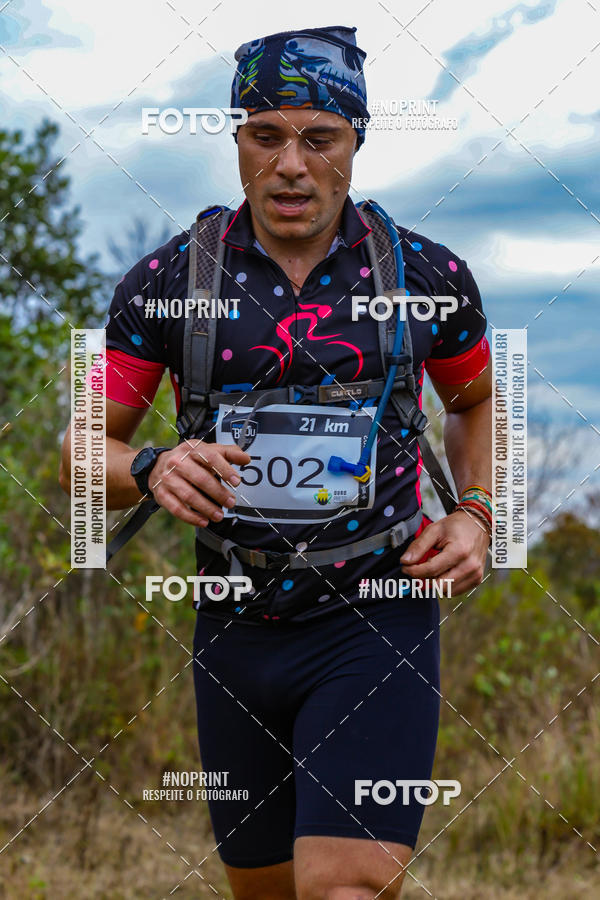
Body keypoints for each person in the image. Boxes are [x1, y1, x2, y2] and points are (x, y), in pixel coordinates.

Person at [60, 25, 492, 899]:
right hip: (233, 626)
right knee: (265, 890)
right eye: (265, 135)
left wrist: (480, 513)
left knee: (344, 886)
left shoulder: (430, 276)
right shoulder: (163, 282)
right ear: (235, 139)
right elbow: (79, 448)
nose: (291, 166)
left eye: (319, 138)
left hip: (378, 614)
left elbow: (481, 401)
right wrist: (151, 467)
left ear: (356, 141)